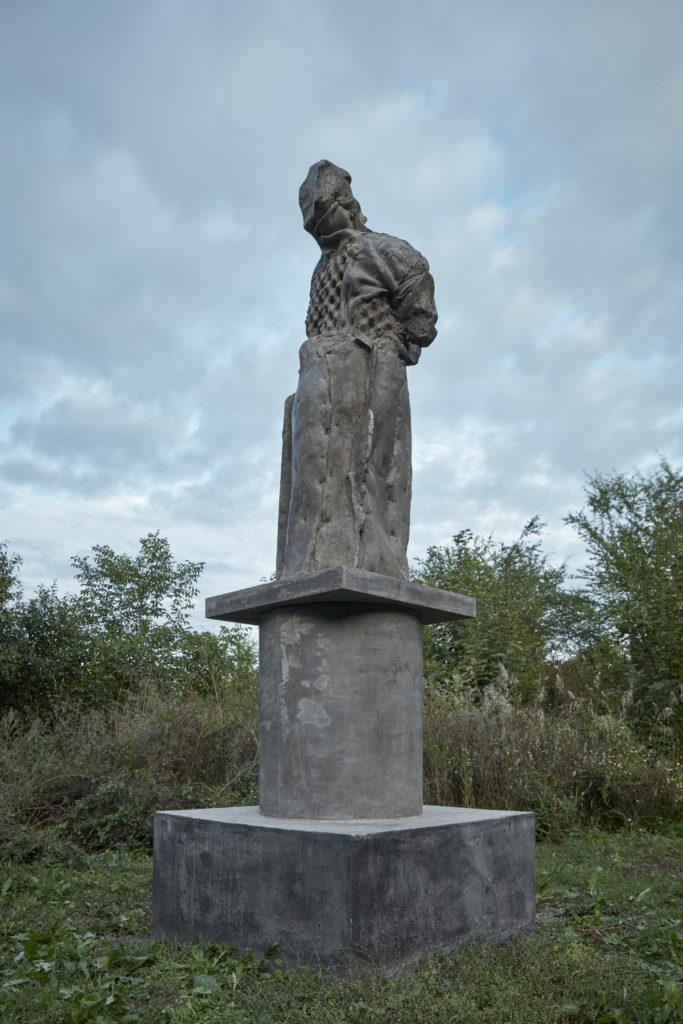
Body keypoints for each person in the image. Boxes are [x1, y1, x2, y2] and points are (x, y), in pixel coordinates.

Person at [276, 160, 438, 580]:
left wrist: (385, 347)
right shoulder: (321, 269)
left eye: (322, 217)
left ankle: (374, 560)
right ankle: (307, 561)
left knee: (371, 481)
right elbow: (316, 324)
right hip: (320, 378)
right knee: (313, 491)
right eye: (312, 227)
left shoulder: (388, 251)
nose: (318, 232)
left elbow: (421, 319)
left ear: (344, 204)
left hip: (373, 374)